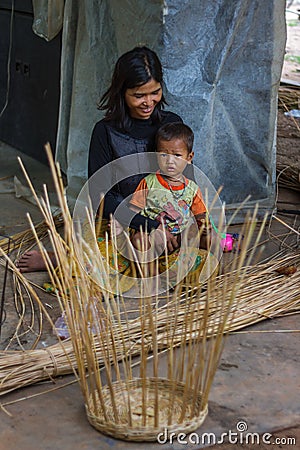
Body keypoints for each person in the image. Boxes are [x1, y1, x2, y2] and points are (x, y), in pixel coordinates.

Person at [16, 46, 183, 273]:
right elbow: (100, 196)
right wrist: (146, 225)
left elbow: (183, 179)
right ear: (122, 92)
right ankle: (60, 258)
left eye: (155, 92)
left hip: (165, 214)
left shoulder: (171, 125)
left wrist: (167, 220)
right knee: (110, 264)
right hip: (121, 217)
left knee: (190, 260)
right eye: (139, 95)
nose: (148, 102)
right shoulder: (105, 131)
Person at [121, 122, 210, 289]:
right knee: (139, 240)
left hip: (178, 237)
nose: (170, 161)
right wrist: (121, 225)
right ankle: (151, 279)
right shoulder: (148, 182)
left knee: (205, 235)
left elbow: (201, 215)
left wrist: (205, 228)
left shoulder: (192, 188)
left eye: (177, 155)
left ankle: (207, 270)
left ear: (189, 158)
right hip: (153, 236)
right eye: (163, 155)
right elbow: (133, 213)